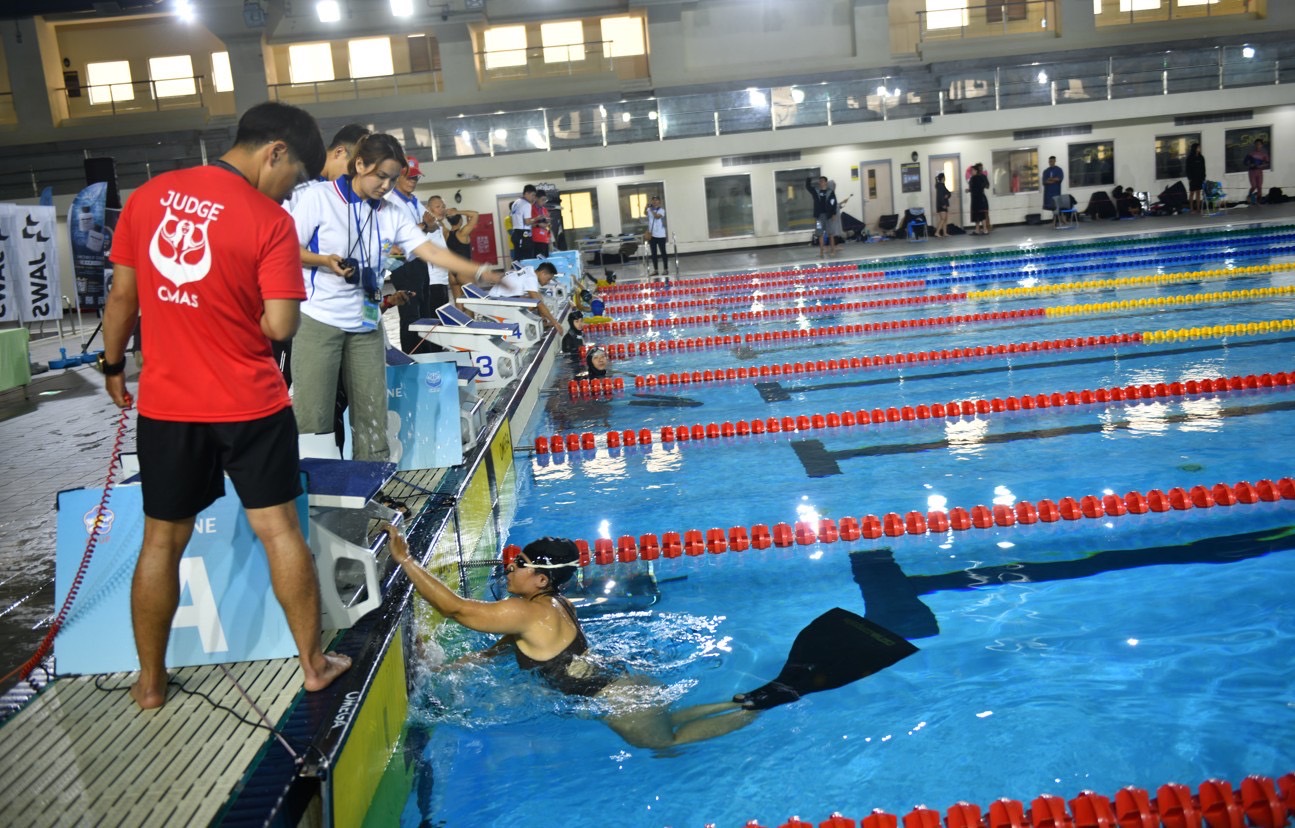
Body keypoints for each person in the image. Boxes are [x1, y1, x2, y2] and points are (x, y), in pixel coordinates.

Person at [99, 101, 352, 710]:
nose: (289, 194)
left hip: (167, 405)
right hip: (250, 403)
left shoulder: (148, 196)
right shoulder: (269, 224)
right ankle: (313, 665)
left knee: (161, 541)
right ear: (276, 152)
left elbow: (123, 297)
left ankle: (151, 683)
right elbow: (281, 325)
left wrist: (112, 366)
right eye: (292, 179)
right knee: (280, 531)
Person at [387, 530, 757, 748]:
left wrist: (406, 561)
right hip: (625, 684)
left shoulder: (525, 610)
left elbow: (457, 609)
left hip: (615, 699)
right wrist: (462, 663)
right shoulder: (556, 603)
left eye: (521, 564)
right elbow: (505, 646)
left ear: (542, 580)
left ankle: (758, 710)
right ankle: (745, 702)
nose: (510, 567)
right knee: (668, 722)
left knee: (665, 743)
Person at [289, 133, 498, 459]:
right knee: (313, 418)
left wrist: (481, 271)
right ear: (358, 164)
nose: (385, 186)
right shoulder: (317, 197)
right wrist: (323, 261)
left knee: (373, 417)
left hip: (366, 323)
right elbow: (285, 247)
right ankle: (316, 500)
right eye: (379, 176)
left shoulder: (390, 211)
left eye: (391, 178)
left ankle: (373, 494)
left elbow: (427, 250)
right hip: (319, 321)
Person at [275, 123, 371, 382]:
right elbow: (278, 248)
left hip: (334, 311)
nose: (356, 175)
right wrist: (323, 261)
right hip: (293, 306)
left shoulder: (344, 195)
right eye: (356, 165)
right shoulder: (297, 188)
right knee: (283, 381)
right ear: (340, 152)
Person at [488, 261, 562, 332]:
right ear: (543, 273)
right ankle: (516, 322)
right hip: (497, 302)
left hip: (502, 297)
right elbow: (539, 303)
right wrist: (555, 323)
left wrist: (546, 319)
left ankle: (542, 323)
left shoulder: (530, 270)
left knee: (537, 298)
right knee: (536, 303)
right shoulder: (531, 278)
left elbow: (538, 298)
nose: (548, 282)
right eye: (548, 279)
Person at [805, 175, 839, 257]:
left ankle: (833, 250)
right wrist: (809, 178)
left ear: (825, 182)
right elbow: (808, 187)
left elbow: (834, 203)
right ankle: (821, 252)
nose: (820, 183)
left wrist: (834, 213)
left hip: (829, 216)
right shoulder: (816, 191)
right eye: (819, 181)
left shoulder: (830, 192)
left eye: (822, 181)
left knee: (831, 234)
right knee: (820, 234)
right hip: (819, 217)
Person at [509, 185, 538, 260]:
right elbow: (527, 222)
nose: (533, 197)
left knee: (517, 257)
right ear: (526, 193)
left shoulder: (516, 202)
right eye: (533, 195)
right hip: (524, 234)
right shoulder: (527, 204)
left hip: (516, 232)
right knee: (528, 257)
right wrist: (536, 218)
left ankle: (515, 270)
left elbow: (512, 218)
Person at [644, 195, 668, 276]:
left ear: (659, 202)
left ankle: (665, 269)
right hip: (652, 235)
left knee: (663, 252)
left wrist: (652, 210)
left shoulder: (661, 210)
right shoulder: (649, 209)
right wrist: (646, 207)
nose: (654, 202)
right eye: (653, 200)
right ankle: (655, 270)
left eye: (656, 200)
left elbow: (657, 217)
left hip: (661, 235)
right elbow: (645, 213)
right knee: (653, 253)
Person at [1245, 139, 1269, 205]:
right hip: (1252, 171)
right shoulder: (1250, 153)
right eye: (1256, 144)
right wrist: (1250, 165)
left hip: (1259, 171)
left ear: (1262, 145)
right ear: (1254, 145)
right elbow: (1245, 162)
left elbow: (1267, 163)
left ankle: (1259, 201)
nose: (1258, 146)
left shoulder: (1264, 154)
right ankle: (1249, 196)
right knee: (1254, 186)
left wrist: (1261, 166)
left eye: (1259, 144)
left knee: (1259, 187)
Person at [968, 162, 990, 235]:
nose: (971, 172)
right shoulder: (975, 178)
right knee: (977, 215)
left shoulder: (977, 178)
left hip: (979, 199)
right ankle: (978, 230)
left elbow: (983, 187)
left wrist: (971, 190)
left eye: (973, 170)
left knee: (981, 214)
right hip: (976, 198)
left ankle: (985, 229)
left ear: (976, 170)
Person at [529, 190, 553, 258]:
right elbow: (526, 224)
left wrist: (548, 227)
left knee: (546, 260)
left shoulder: (544, 210)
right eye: (542, 200)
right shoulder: (530, 209)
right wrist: (538, 225)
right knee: (538, 261)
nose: (544, 202)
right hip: (535, 240)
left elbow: (548, 225)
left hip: (545, 239)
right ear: (536, 198)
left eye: (545, 200)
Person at [1186, 143, 1206, 214]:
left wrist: (1203, 177)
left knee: (1198, 193)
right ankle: (1191, 209)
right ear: (1194, 148)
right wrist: (1189, 178)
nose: (1199, 149)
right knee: (1192, 193)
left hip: (1199, 177)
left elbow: (1203, 168)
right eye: (1198, 147)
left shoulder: (1201, 157)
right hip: (1193, 178)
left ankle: (1198, 208)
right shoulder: (1190, 158)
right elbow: (1187, 169)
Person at [932, 172, 951, 238]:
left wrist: (947, 195)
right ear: (943, 178)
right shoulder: (940, 185)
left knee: (945, 219)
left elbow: (949, 193)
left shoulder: (942, 185)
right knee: (943, 219)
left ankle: (945, 233)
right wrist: (943, 204)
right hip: (942, 205)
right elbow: (940, 196)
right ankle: (937, 232)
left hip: (943, 204)